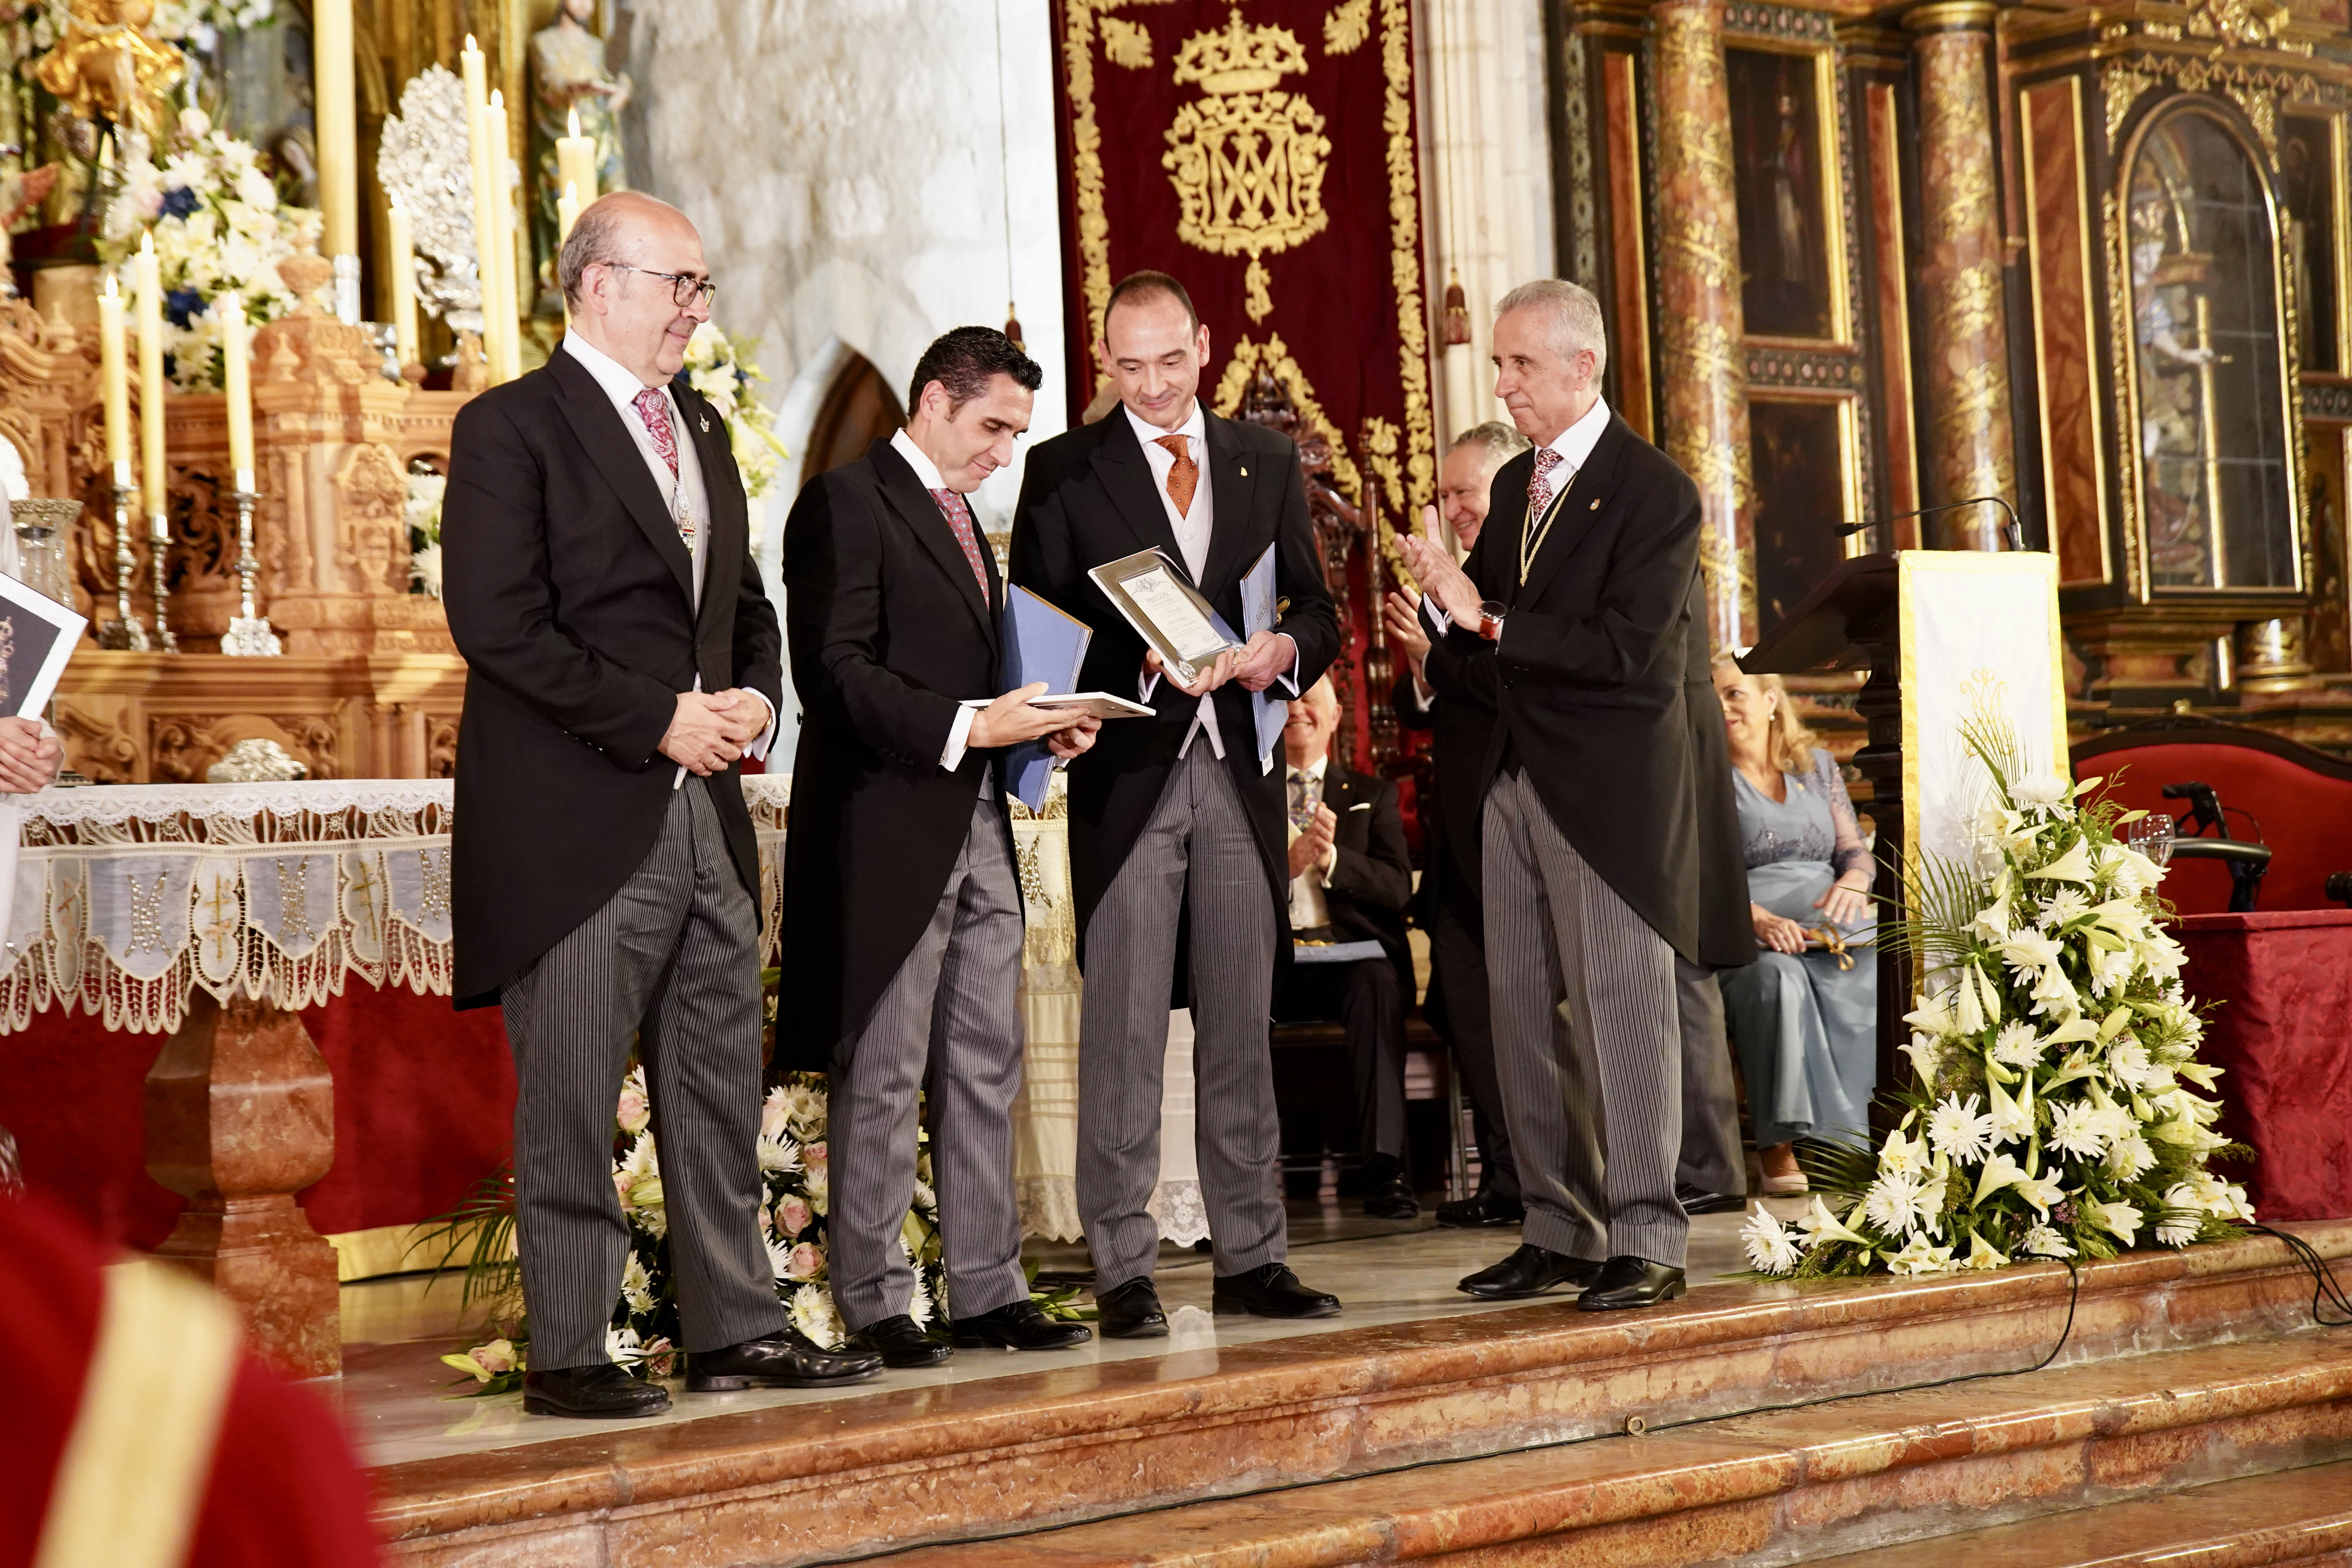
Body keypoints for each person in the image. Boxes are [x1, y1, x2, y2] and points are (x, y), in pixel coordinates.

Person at [444, 191, 879, 1418]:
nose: (697, 308)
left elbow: (742, 603)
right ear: (594, 284)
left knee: (716, 1088)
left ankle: (735, 1327)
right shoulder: (511, 428)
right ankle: (571, 1352)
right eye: (676, 283)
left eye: (701, 285)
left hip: (707, 814)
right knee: (577, 1098)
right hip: (579, 817)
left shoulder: (699, 425)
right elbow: (497, 626)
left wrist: (748, 696)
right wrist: (655, 717)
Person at [1009, 269, 1343, 1338]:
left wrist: (1280, 653)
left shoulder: (1265, 457)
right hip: (1133, 771)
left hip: (1240, 773)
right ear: (1106, 363)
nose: (1150, 386)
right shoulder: (1065, 470)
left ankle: (1254, 1255)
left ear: (1204, 347)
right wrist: (1143, 660)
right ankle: (1125, 1267)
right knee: (1124, 1031)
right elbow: (1037, 629)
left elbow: (1318, 607)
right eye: (1127, 366)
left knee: (1243, 1022)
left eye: (1168, 361)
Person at [1398, 278, 1722, 1312]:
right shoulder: (1515, 492)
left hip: (1610, 795)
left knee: (1624, 1012)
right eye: (1498, 364)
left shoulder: (1655, 493)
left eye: (1521, 364)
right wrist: (1438, 631)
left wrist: (1479, 620)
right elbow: (1491, 658)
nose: (1504, 384)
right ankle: (1559, 1227)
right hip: (1511, 786)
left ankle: (1645, 1234)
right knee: (1519, 1017)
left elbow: (1625, 652)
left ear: (1584, 365)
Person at [778, 327, 1098, 1366]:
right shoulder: (844, 503)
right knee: (884, 1067)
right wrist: (972, 724)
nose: (1005, 452)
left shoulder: (962, 517)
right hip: (885, 824)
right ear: (932, 402)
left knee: (984, 1061)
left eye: (1017, 432)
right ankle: (874, 1299)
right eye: (993, 427)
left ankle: (986, 1290)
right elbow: (832, 672)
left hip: (977, 817)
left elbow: (974, 665)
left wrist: (1042, 722)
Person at [1383, 422, 1528, 1229]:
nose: (1454, 508)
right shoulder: (1456, 579)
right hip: (1458, 846)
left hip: (1516, 834)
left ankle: (1543, 1181)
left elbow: (1509, 686)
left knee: (1521, 1016)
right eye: (1445, 495)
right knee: (1468, 1008)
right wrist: (1420, 661)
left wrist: (1441, 654)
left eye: (1465, 492)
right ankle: (1508, 1177)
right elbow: (1431, 706)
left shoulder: (1522, 577)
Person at [1712, 656, 1877, 1190]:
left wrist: (1854, 882)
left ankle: (1855, 1141)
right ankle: (1778, 1144)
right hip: (1745, 933)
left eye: (1734, 693)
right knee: (1778, 979)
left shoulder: (1819, 766)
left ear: (1769, 699)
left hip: (1829, 931)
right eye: (1711, 697)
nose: (1723, 706)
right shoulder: (1703, 776)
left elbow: (1855, 852)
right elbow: (1695, 875)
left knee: (1883, 968)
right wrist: (1754, 918)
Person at [1272, 675, 1417, 1218]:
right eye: (1286, 699)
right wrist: (1285, 868)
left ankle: (1384, 1170)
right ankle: (1241, 1181)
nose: (1297, 708)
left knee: (1376, 983)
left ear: (1335, 717)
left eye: (1311, 698)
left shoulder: (1371, 795)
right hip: (1277, 961)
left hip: (1347, 959)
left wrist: (1331, 860)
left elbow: (1397, 887)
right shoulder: (1250, 794)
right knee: (1228, 980)